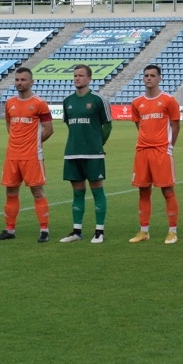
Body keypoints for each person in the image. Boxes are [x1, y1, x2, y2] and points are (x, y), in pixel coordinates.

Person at [0, 67, 54, 242]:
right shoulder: (10, 103)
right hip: (12, 155)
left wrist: (33, 144)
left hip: (32, 156)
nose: (19, 83)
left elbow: (49, 130)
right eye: (17, 80)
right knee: (11, 191)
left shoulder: (39, 103)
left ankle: (44, 230)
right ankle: (9, 230)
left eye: (23, 80)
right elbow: (9, 126)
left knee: (37, 191)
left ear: (31, 82)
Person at [59, 65, 113, 244]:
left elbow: (107, 125)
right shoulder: (67, 101)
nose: (77, 78)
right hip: (72, 153)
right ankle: (76, 231)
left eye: (81, 76)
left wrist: (99, 143)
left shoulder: (98, 100)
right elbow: (69, 123)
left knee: (97, 190)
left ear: (89, 78)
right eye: (75, 75)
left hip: (93, 154)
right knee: (77, 193)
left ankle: (99, 231)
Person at [129, 65, 181, 244]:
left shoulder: (168, 100)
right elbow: (139, 125)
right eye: (146, 75)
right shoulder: (137, 103)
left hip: (161, 151)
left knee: (167, 190)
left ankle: (172, 231)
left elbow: (175, 125)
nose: (148, 78)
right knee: (143, 191)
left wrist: (169, 146)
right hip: (142, 150)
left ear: (160, 78)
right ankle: (144, 231)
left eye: (152, 75)